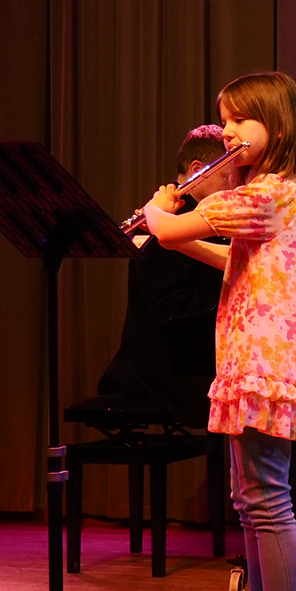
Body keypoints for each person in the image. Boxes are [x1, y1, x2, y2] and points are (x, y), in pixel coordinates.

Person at [141, 71, 296, 591]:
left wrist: (160, 210)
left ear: (278, 127)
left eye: (239, 120)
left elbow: (172, 227)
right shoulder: (280, 196)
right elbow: (229, 257)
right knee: (252, 501)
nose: (227, 131)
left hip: (265, 366)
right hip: (255, 363)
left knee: (267, 501)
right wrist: (168, 235)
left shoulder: (264, 193)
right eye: (223, 119)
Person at [96, 126, 234, 428]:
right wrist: (238, 313)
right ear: (198, 170)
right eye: (228, 177)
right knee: (248, 394)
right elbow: (173, 308)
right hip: (165, 366)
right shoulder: (167, 221)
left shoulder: (204, 216)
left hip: (193, 354)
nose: (234, 187)